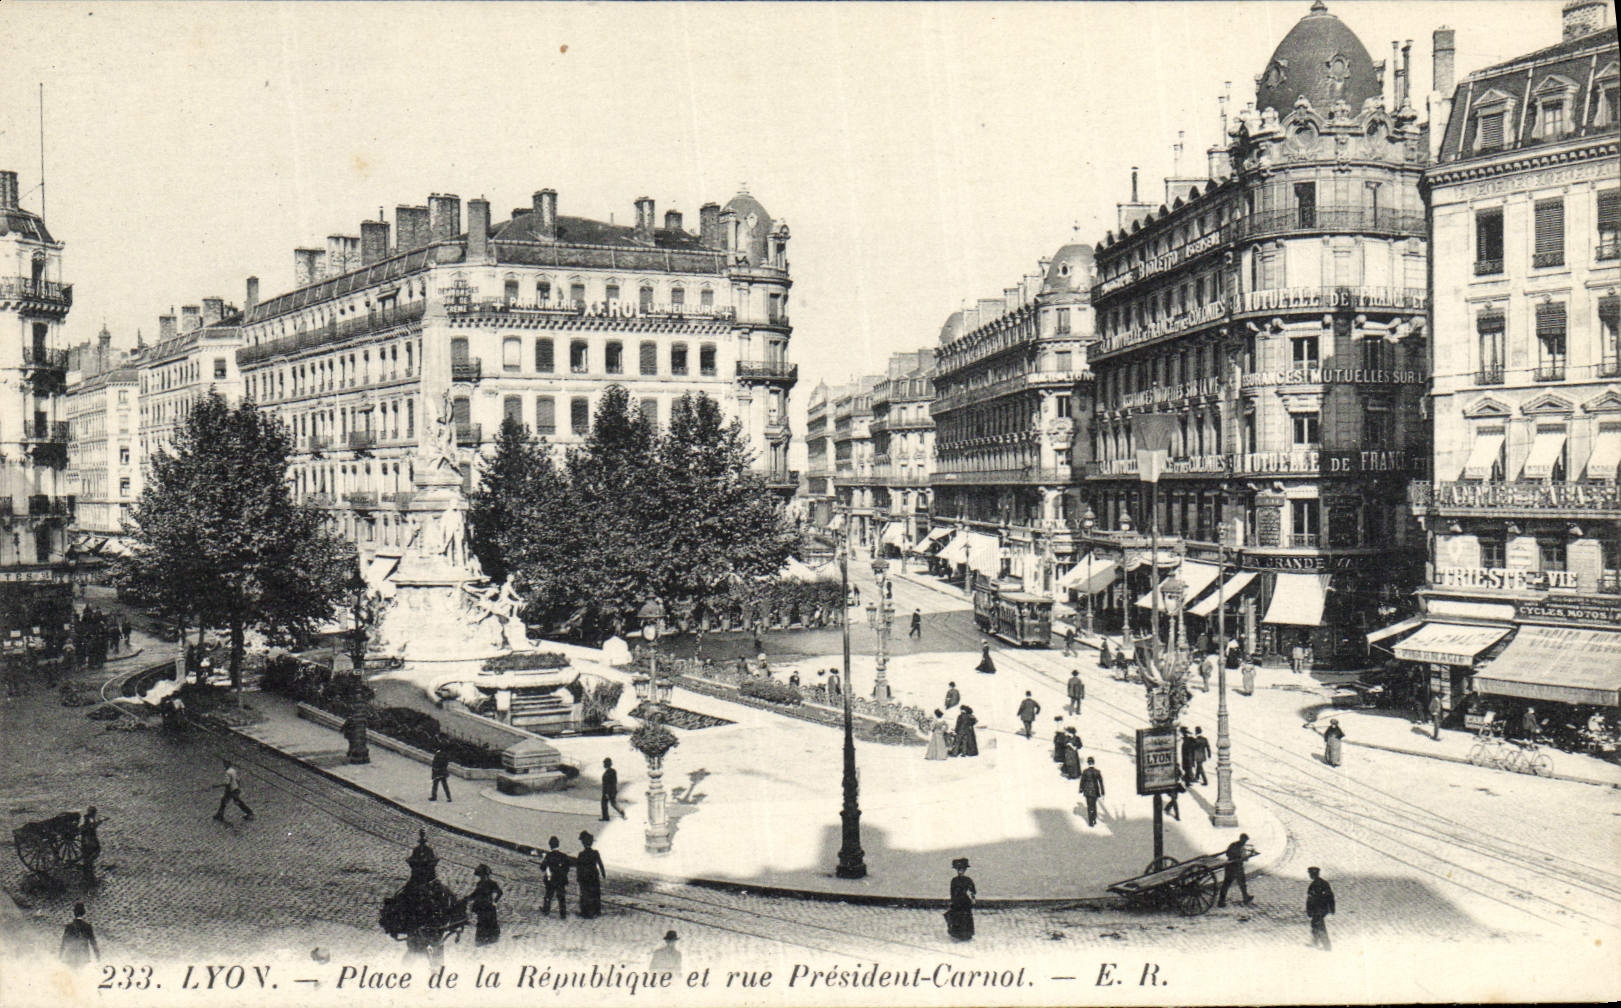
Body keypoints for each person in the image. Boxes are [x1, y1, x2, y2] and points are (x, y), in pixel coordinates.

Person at [466, 864, 503, 946]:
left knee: (490, 923)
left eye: (482, 875)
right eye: (480, 875)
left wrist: (495, 902)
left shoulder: (492, 883)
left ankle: (492, 940)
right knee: (481, 923)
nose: (481, 877)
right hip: (480, 907)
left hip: (488, 906)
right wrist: (467, 898)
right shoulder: (479, 884)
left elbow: (500, 892)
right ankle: (481, 941)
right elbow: (475, 894)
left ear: (487, 874)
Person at [575, 831, 606, 919]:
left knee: (585, 893)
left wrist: (578, 877)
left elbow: (579, 867)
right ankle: (597, 910)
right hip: (594, 875)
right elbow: (600, 864)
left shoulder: (581, 854)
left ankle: (585, 912)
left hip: (584, 876)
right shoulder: (595, 853)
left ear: (583, 843)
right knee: (595, 892)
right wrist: (603, 873)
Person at [539, 836, 572, 919]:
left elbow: (542, 868)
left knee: (548, 895)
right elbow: (567, 868)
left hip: (551, 879)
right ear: (558, 844)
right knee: (561, 897)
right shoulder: (564, 856)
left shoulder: (548, 856)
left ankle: (546, 910)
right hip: (561, 879)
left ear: (550, 845)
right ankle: (563, 913)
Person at [1217, 833, 1253, 907]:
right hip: (1237, 867)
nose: (1245, 842)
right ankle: (1245, 898)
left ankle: (1221, 901)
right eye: (1245, 840)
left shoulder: (1233, 844)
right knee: (1242, 883)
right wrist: (1249, 855)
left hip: (1229, 866)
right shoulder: (1242, 848)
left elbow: (1227, 854)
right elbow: (1245, 859)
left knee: (1226, 884)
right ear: (1243, 840)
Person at [945, 857, 976, 941]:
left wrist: (973, 898)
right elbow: (952, 891)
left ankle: (967, 934)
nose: (960, 871)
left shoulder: (968, 880)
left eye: (962, 870)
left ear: (965, 870)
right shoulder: (954, 880)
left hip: (965, 901)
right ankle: (957, 934)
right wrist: (952, 901)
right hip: (956, 901)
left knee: (966, 917)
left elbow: (973, 890)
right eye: (959, 869)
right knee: (957, 917)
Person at [60, 902, 100, 966]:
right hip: (83, 955)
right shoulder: (87, 926)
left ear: (74, 913)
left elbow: (64, 942)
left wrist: (60, 956)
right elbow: (93, 942)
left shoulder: (69, 926)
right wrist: (98, 956)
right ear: (83, 913)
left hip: (71, 955)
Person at [1306, 866, 1335, 950]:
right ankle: (1317, 943)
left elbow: (1311, 899)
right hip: (1320, 909)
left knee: (1319, 926)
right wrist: (1331, 908)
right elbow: (1330, 897)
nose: (1309, 875)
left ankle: (1326, 946)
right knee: (1315, 925)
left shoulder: (1314, 885)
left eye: (1310, 874)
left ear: (1314, 874)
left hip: (1318, 909)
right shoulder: (1323, 883)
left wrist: (1309, 910)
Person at [1078, 757, 1105, 826]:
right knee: (1094, 805)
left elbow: (1082, 781)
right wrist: (1102, 792)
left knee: (1089, 806)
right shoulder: (1097, 772)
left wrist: (1081, 789)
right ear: (1093, 763)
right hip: (1095, 791)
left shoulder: (1085, 771)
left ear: (1088, 763)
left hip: (1087, 791)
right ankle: (1094, 819)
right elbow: (1101, 782)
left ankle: (1091, 822)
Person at [79, 806, 102, 878]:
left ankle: (88, 868)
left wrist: (96, 824)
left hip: (90, 839)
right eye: (94, 813)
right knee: (93, 851)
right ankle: (87, 869)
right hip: (88, 839)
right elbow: (82, 827)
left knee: (93, 851)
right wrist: (91, 826)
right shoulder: (85, 819)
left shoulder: (90, 818)